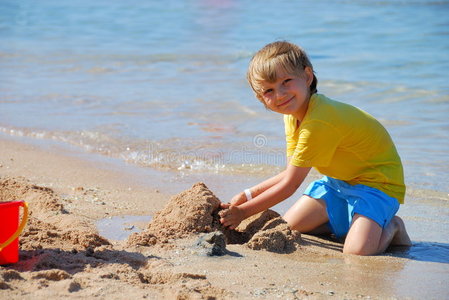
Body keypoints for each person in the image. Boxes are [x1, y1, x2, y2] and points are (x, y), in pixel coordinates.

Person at [219, 41, 411, 255]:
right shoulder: (293, 116)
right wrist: (248, 194)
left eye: (287, 81)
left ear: (307, 77)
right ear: (261, 99)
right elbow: (289, 172)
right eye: (269, 90)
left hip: (377, 186)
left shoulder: (319, 121)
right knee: (288, 227)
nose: (280, 94)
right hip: (337, 184)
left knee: (357, 253)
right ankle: (351, 223)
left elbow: (290, 184)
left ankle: (392, 226)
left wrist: (242, 213)